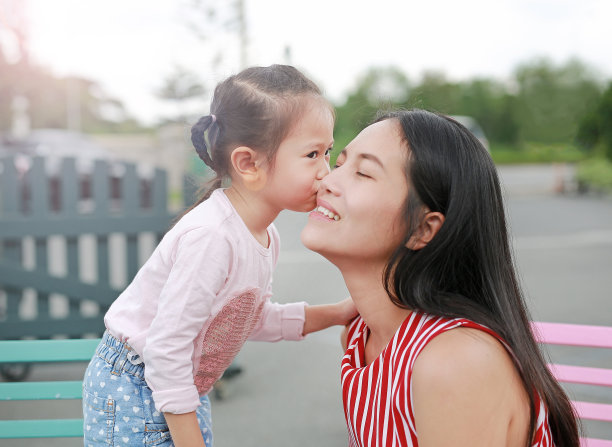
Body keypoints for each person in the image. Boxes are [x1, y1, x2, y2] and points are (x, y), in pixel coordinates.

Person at [82, 64, 357, 447]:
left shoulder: (264, 234)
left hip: (177, 382)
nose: (326, 172)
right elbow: (166, 348)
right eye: (312, 154)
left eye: (327, 152)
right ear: (249, 164)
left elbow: (243, 319)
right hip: (137, 383)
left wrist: (335, 313)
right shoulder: (212, 237)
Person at [301, 109, 580, 446]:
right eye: (340, 163)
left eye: (362, 172)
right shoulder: (361, 335)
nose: (327, 181)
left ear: (424, 229)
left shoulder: (456, 362)